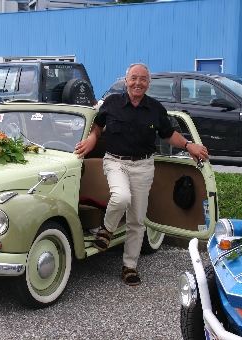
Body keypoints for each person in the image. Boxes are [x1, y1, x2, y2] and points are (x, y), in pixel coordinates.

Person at [74, 63, 209, 286]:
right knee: (121, 197)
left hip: (144, 166)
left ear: (148, 83)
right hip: (115, 162)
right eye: (134, 78)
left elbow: (169, 135)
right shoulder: (112, 103)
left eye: (143, 79)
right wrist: (91, 138)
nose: (138, 82)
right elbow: (97, 126)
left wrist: (188, 145)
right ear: (126, 81)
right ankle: (106, 230)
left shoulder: (155, 108)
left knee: (137, 220)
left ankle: (129, 266)